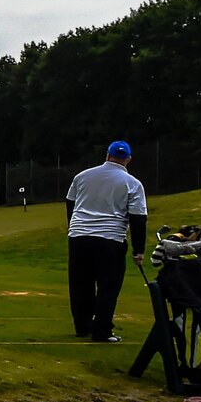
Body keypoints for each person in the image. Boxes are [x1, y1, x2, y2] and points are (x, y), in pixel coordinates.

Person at [65, 140, 148, 342]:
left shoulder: (83, 176)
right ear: (128, 159)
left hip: (79, 237)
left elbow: (70, 203)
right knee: (108, 286)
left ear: (107, 155)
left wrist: (74, 227)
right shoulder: (133, 183)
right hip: (110, 239)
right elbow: (138, 219)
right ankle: (102, 331)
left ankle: (82, 326)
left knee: (80, 284)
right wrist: (139, 250)